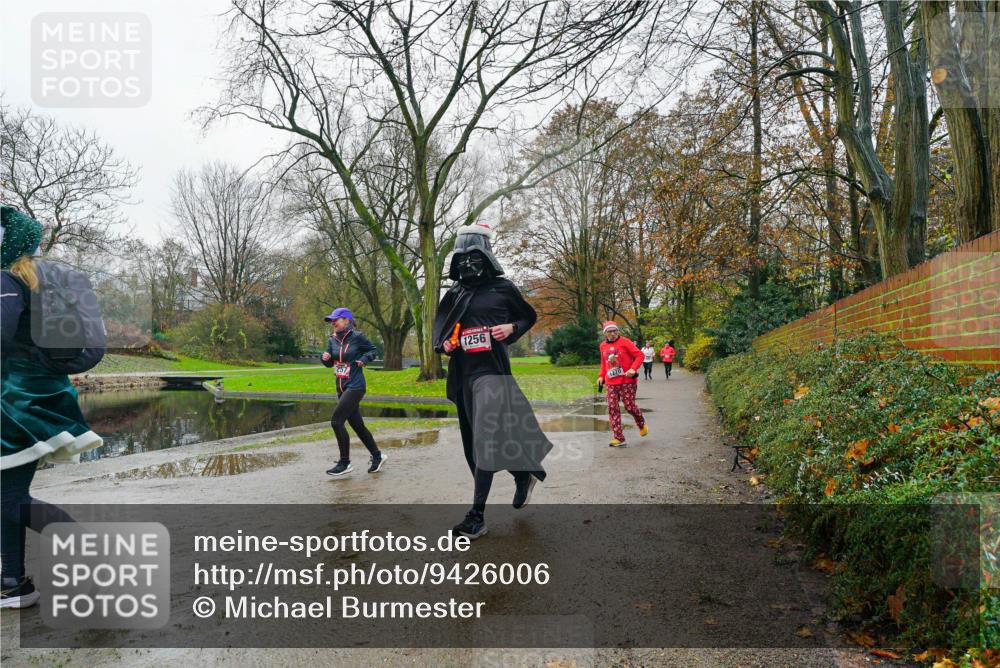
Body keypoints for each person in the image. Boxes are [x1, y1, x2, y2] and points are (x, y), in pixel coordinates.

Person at [1, 206, 103, 609]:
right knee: (8, 494)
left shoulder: (7, 281)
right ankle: (13, 582)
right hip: (37, 397)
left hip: (13, 404)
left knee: (7, 499)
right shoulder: (37, 280)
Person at [433, 222, 551, 540]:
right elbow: (443, 331)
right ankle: (522, 473)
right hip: (464, 377)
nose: (467, 263)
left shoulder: (503, 288)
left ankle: (476, 516)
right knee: (476, 443)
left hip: (492, 375)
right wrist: (445, 344)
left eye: (473, 256)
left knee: (485, 438)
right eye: (461, 257)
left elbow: (528, 316)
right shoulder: (455, 293)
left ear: (484, 254)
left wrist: (512, 328)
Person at [320, 307, 385, 477]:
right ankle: (378, 456)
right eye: (332, 320)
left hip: (355, 386)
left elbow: (373, 350)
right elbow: (330, 363)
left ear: (346, 320)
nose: (333, 323)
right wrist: (325, 358)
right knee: (357, 425)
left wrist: (364, 359)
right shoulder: (332, 340)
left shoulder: (358, 337)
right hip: (341, 387)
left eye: (336, 319)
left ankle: (345, 462)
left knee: (336, 421)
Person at [598, 322, 648, 447]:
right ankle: (619, 438)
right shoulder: (602, 346)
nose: (613, 333)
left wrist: (633, 369)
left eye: (615, 331)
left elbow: (639, 355)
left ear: (618, 331)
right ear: (605, 333)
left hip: (627, 382)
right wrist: (600, 376)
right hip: (611, 383)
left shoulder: (625, 342)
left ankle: (641, 423)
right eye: (610, 331)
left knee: (629, 406)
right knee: (612, 408)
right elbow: (604, 364)